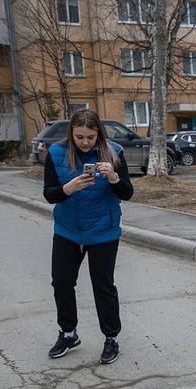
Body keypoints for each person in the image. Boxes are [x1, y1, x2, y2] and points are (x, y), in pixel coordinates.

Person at [42, 109, 133, 365]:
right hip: (68, 231)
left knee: (102, 286)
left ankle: (111, 338)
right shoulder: (57, 153)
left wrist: (114, 177)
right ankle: (68, 333)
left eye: (91, 137)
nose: (85, 142)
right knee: (61, 282)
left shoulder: (114, 151)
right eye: (80, 136)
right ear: (71, 133)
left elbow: (127, 193)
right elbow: (50, 194)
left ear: (99, 135)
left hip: (103, 231)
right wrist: (68, 188)